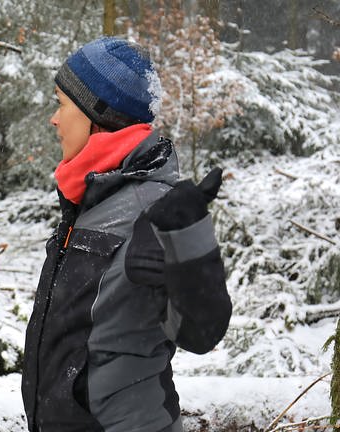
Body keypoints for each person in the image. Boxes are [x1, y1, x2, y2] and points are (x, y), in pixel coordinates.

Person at [21, 36, 232, 432]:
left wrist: (187, 240)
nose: (54, 118)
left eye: (61, 104)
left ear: (96, 112)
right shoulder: (92, 196)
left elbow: (202, 331)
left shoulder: (153, 206)